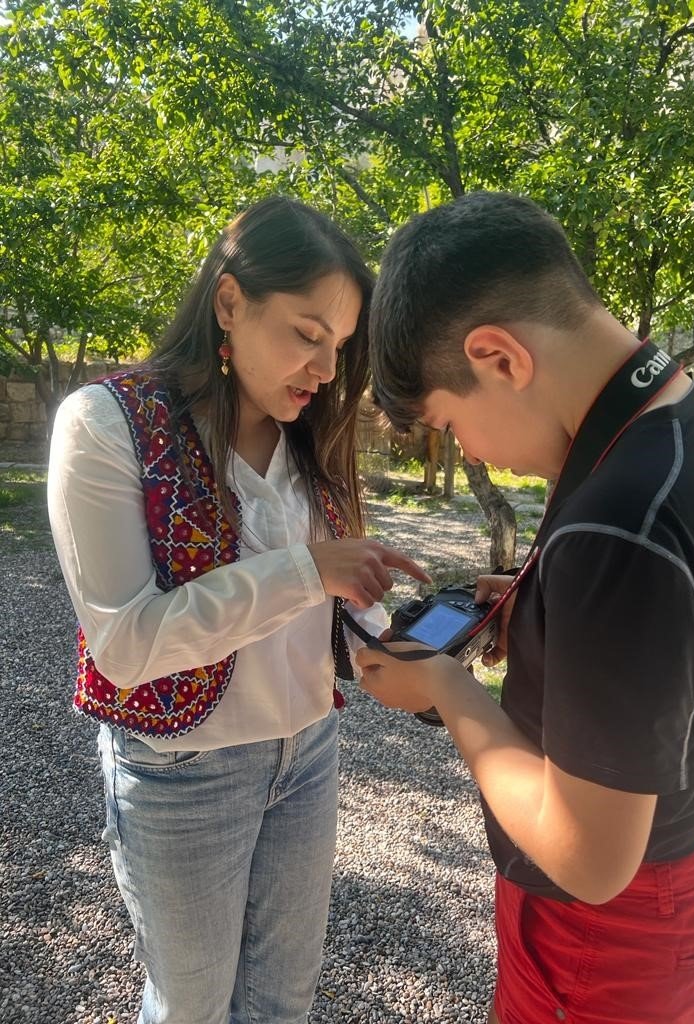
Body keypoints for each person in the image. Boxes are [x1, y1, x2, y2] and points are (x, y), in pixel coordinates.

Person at [356, 191, 694, 1024]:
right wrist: (550, 609)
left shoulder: (616, 524)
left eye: (450, 425)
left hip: (609, 942)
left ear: (499, 358)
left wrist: (447, 688)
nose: (468, 452)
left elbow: (590, 860)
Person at [47, 195, 430, 1024]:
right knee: (190, 1008)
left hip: (309, 754)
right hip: (182, 769)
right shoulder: (107, 426)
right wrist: (308, 570)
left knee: (282, 1005)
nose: (326, 370)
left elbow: (336, 613)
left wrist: (430, 632)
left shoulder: (313, 440)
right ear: (229, 301)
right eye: (306, 332)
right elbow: (125, 642)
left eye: (338, 345)